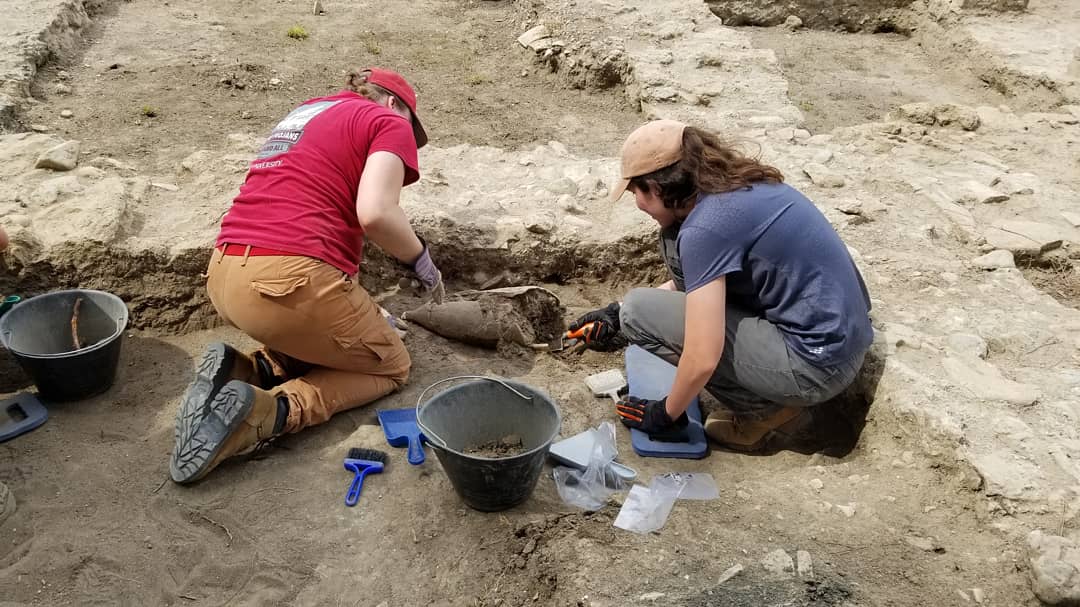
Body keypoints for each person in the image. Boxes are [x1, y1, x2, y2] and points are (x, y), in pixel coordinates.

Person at [170, 67, 444, 484]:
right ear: (393, 102)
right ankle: (267, 412)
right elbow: (375, 213)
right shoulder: (388, 120)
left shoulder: (310, 112)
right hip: (285, 282)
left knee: (334, 333)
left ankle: (247, 370)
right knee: (390, 365)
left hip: (227, 273)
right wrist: (420, 258)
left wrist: (367, 312)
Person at [570, 120, 873, 451]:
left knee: (638, 313)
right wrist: (615, 312)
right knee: (632, 307)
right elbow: (707, 281)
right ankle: (776, 395)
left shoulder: (705, 228)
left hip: (815, 365)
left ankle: (770, 413)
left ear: (656, 188)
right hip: (842, 343)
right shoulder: (738, 188)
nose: (637, 204)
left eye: (635, 192)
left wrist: (666, 414)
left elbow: (702, 356)